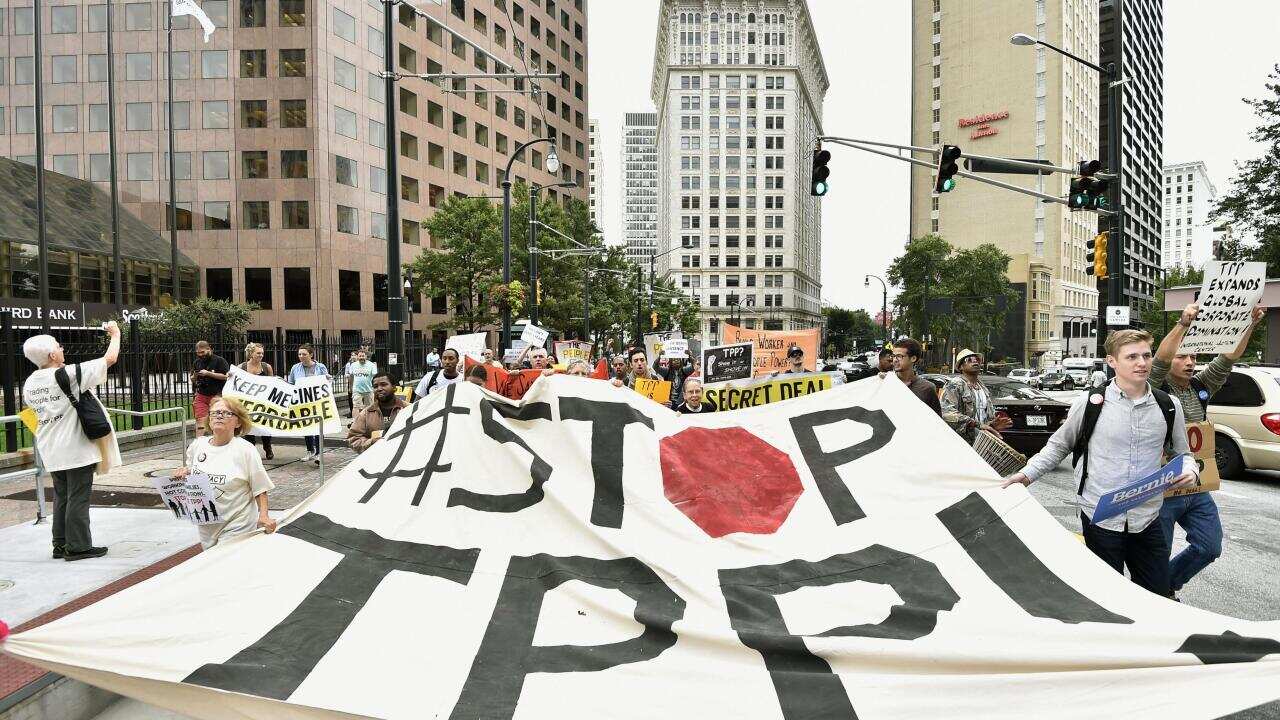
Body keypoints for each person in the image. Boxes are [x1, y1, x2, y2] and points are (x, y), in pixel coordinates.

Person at [1003, 329, 1199, 597]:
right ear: (1112, 362)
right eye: (1131, 357)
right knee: (1106, 598)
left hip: (1148, 518)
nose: (1141, 363)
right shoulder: (1090, 403)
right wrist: (1025, 476)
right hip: (1100, 516)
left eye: (1146, 355)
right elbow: (1059, 445)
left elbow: (1183, 453)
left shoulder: (1168, 405)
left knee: (1156, 597)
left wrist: (1190, 469)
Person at [1150, 302, 1263, 596]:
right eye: (1182, 356)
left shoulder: (1201, 387)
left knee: (1209, 547)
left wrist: (1248, 324)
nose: (1190, 362)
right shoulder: (1156, 388)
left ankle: (1167, 584)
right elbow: (1159, 361)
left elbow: (1227, 359)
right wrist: (1183, 324)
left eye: (1194, 356)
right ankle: (1156, 596)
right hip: (1162, 486)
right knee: (1155, 554)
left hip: (1196, 487)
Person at [22, 322, 122, 561]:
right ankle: (78, 547)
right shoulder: (66, 374)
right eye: (59, 346)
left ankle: (60, 544)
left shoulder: (30, 384)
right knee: (78, 496)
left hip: (51, 448)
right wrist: (116, 334)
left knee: (62, 496)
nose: (62, 349)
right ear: (52, 355)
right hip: (75, 447)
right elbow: (109, 359)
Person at [173, 397, 276, 549]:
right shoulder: (198, 446)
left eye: (226, 413)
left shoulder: (245, 450)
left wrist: (264, 516)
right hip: (207, 524)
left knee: (224, 564)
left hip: (238, 522)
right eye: (214, 413)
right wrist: (183, 473)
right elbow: (191, 472)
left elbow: (260, 487)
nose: (219, 416)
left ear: (238, 422)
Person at [941, 349, 1010, 444]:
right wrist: (974, 424)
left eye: (977, 359)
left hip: (982, 442)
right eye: (969, 359)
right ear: (961, 366)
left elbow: (985, 418)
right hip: (962, 442)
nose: (975, 361)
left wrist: (992, 424)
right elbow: (946, 413)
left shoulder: (983, 387)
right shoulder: (955, 384)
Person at [287, 345, 329, 464]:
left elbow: (326, 382)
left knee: (318, 427)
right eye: (299, 354)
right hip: (302, 402)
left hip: (317, 401)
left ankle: (319, 453)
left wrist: (328, 379)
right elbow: (291, 383)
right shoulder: (295, 368)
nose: (301, 356)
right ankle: (310, 450)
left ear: (311, 355)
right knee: (306, 426)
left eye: (304, 354)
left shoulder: (320, 367)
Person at [348, 374, 407, 453]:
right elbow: (353, 439)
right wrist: (371, 443)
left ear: (394, 387)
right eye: (375, 386)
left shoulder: (408, 409)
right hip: (377, 461)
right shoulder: (366, 414)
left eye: (384, 384)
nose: (379, 389)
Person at [238, 342, 275, 460]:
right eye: (258, 353)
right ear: (250, 354)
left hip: (263, 403)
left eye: (262, 353)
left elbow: (272, 383)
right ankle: (251, 449)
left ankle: (267, 446)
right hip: (247, 403)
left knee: (265, 426)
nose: (261, 355)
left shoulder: (266, 367)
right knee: (248, 426)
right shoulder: (242, 367)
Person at [892, 337, 941, 415]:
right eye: (893, 356)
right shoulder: (887, 383)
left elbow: (937, 422)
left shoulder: (927, 388)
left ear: (913, 358)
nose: (895, 360)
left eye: (899, 356)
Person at [192, 340, 230, 438]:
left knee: (217, 421)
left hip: (217, 396)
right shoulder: (197, 362)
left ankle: (218, 441)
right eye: (198, 353)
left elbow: (226, 376)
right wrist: (195, 376)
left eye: (202, 352)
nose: (200, 355)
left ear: (209, 349)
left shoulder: (219, 361)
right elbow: (192, 378)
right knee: (200, 421)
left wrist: (209, 373)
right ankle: (198, 443)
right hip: (201, 395)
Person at [345, 350, 377, 422]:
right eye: (360, 356)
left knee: (369, 407)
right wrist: (350, 387)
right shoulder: (353, 365)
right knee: (356, 406)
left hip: (369, 389)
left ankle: (369, 421)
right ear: (357, 357)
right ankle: (355, 422)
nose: (361, 357)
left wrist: (375, 388)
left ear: (366, 356)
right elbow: (351, 376)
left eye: (363, 356)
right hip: (357, 389)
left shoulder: (371, 365)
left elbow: (375, 377)